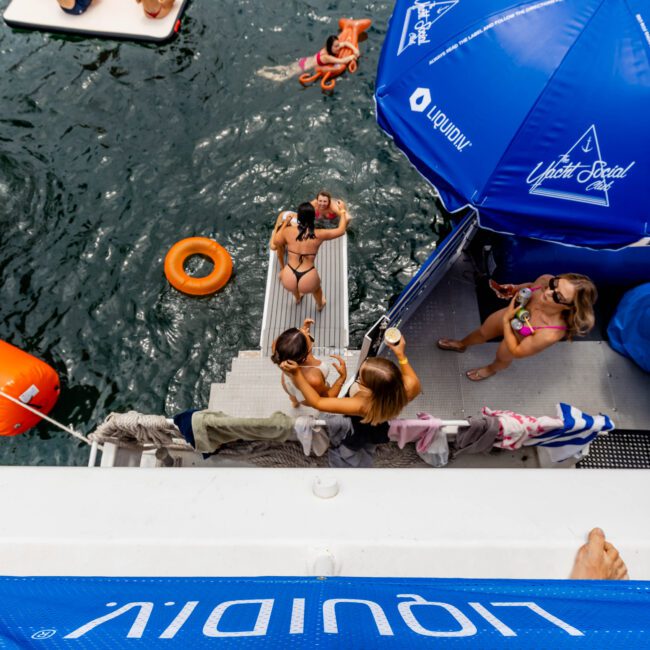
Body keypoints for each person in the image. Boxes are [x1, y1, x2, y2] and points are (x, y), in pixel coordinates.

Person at [437, 273, 597, 381]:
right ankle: (461, 344)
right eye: (555, 284)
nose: (548, 292)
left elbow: (518, 352)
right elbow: (530, 285)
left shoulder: (551, 333)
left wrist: (507, 321)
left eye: (558, 296)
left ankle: (491, 369)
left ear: (569, 307)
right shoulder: (545, 280)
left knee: (502, 357)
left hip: (517, 339)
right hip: (509, 315)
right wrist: (515, 288)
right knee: (482, 332)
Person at [280, 335, 421, 447]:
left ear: (368, 388)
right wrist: (400, 354)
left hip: (362, 425)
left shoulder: (361, 404)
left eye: (360, 378)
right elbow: (407, 371)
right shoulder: (411, 386)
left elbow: (317, 402)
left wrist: (298, 375)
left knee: (354, 441)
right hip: (382, 417)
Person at [272, 202, 348, 310]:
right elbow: (341, 230)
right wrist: (343, 211)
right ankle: (320, 305)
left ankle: (298, 298)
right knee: (316, 290)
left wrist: (285, 223)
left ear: (298, 216)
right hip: (308, 277)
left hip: (288, 275)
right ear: (313, 217)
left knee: (294, 287)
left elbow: (276, 241)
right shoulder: (319, 233)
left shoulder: (288, 231)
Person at [271, 318, 347, 408]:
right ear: (305, 353)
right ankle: (297, 402)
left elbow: (295, 344)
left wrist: (304, 328)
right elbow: (327, 398)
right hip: (305, 395)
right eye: (310, 338)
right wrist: (342, 378)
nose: (305, 331)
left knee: (293, 396)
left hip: (287, 384)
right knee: (299, 396)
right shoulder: (314, 379)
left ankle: (295, 403)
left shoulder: (278, 348)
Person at [257, 35, 360, 82]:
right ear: (330, 47)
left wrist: (354, 49)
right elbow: (341, 61)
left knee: (286, 68)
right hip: (303, 67)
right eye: (336, 46)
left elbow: (345, 43)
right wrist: (353, 56)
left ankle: (266, 68)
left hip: (303, 61)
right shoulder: (326, 57)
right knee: (281, 78)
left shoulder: (327, 48)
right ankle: (263, 73)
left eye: (338, 45)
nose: (338, 48)